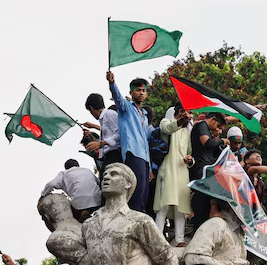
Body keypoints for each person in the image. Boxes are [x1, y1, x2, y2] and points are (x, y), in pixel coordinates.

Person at [81, 162, 180, 265]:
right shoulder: (88, 225)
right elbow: (87, 263)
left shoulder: (139, 220)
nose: (106, 177)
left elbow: (167, 257)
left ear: (128, 184)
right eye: (105, 174)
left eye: (114, 174)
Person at [107, 71, 152, 212]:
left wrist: (150, 167)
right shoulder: (127, 108)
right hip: (133, 153)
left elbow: (146, 140)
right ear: (131, 93)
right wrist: (112, 83)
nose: (141, 93)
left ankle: (140, 218)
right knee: (136, 192)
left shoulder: (144, 115)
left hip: (145, 158)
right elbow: (118, 98)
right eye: (138, 90)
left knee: (144, 194)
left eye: (143, 90)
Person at [154, 103, 194, 247]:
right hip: (168, 169)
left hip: (182, 171)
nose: (190, 117)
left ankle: (180, 240)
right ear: (181, 112)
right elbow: (167, 129)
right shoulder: (166, 122)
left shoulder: (187, 132)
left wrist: (190, 159)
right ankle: (158, 238)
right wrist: (181, 121)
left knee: (181, 208)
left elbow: (190, 152)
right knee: (163, 205)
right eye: (188, 113)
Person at [189, 112, 228, 228]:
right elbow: (206, 143)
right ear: (213, 120)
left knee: (204, 203)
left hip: (207, 168)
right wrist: (222, 141)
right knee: (202, 201)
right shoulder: (201, 125)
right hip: (201, 168)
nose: (220, 132)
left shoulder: (209, 132)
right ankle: (213, 209)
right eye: (219, 127)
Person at [83, 93, 122, 172]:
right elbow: (106, 141)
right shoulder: (102, 120)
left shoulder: (109, 114)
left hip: (116, 155)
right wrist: (91, 137)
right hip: (107, 156)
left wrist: (100, 143)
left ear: (91, 108)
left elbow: (119, 134)